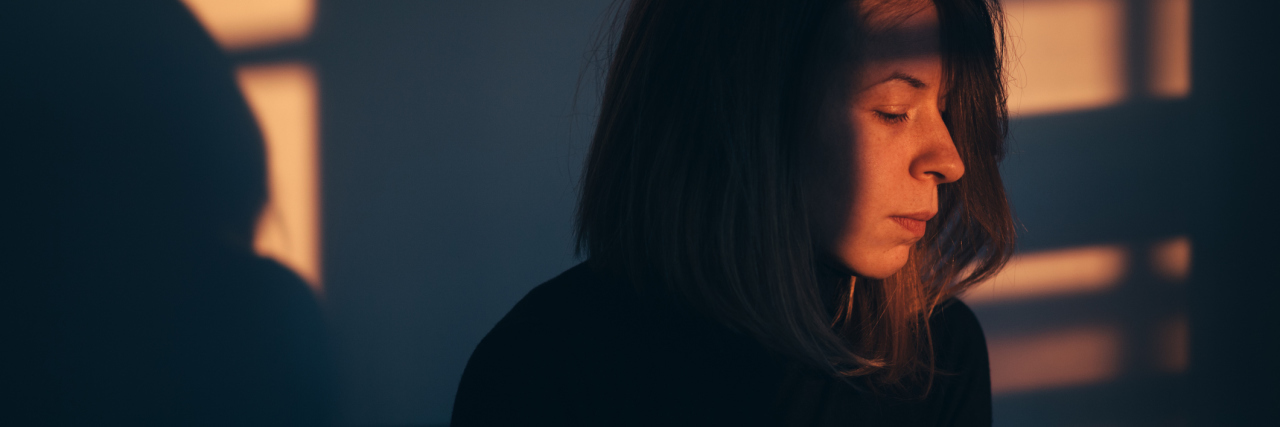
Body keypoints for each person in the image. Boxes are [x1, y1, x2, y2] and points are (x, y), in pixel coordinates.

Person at [452, 0, 1012, 425]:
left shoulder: (935, 361)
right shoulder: (540, 371)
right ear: (744, 108)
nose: (951, 160)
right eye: (894, 111)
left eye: (942, 110)